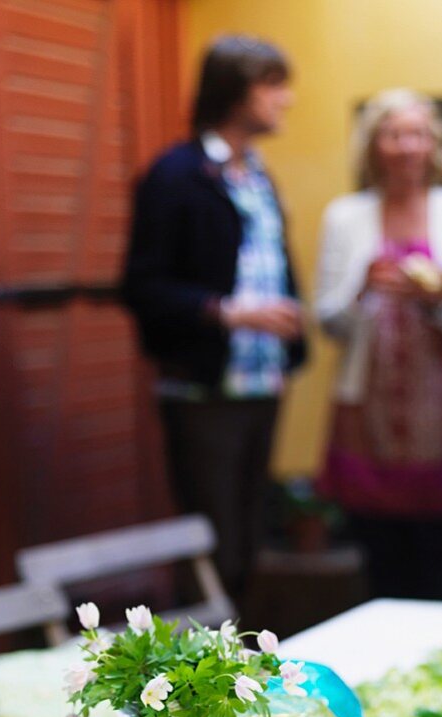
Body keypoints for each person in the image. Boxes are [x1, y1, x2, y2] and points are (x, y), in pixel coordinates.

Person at [123, 36, 306, 601]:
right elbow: (142, 286)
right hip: (204, 388)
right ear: (235, 92)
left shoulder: (257, 173)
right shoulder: (176, 173)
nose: (287, 99)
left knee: (250, 536)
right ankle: (201, 676)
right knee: (212, 542)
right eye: (273, 85)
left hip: (263, 380)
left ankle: (245, 674)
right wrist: (231, 313)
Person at [315, 89, 442, 600]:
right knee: (380, 547)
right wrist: (362, 290)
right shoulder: (345, 216)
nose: (406, 146)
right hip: (369, 406)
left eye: (416, 134)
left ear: (432, 144)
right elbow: (328, 320)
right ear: (374, 146)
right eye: (393, 134)